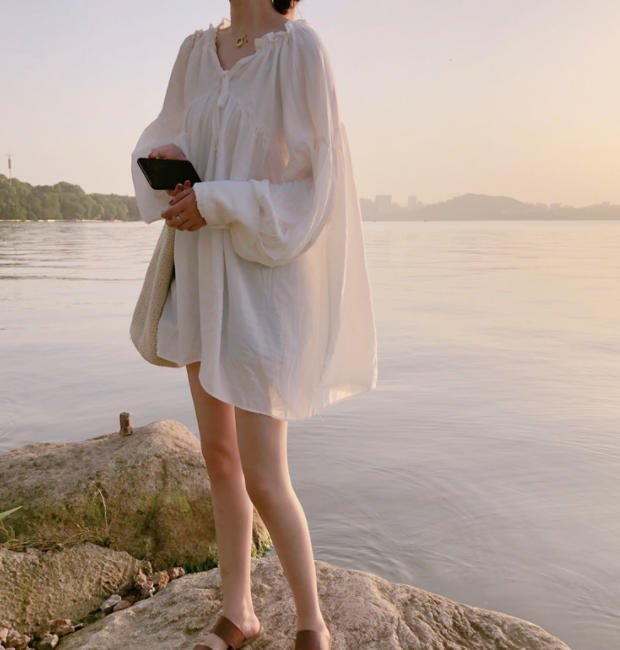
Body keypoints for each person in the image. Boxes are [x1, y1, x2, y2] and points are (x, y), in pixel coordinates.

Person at [130, 1, 377, 648]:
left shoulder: (298, 50)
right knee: (218, 456)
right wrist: (171, 163)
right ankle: (237, 610)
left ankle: (312, 622)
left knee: (265, 474)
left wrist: (216, 200)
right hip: (200, 272)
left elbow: (317, 189)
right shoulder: (195, 52)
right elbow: (177, 136)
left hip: (263, 282)